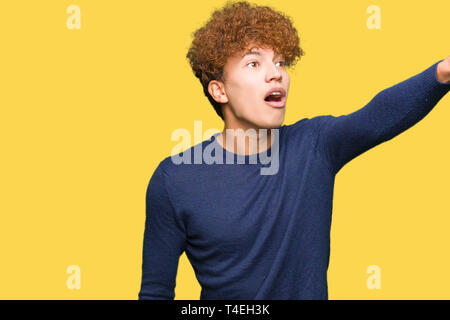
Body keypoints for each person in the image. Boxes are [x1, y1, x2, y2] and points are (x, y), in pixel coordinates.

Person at [138, 1, 450, 300]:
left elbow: (378, 115)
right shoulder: (174, 180)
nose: (276, 73)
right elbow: (155, 292)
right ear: (219, 90)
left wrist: (443, 73)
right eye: (254, 62)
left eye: (280, 62)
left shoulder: (314, 145)